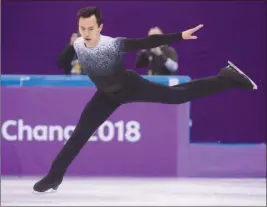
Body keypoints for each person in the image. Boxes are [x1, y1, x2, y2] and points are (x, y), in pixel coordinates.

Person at [33, 6, 257, 193]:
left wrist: (178, 36)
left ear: (100, 27)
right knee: (79, 135)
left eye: (91, 28)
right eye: (82, 28)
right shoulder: (78, 44)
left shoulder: (112, 44)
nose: (87, 32)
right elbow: (62, 60)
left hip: (130, 86)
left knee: (176, 96)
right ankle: (54, 177)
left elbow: (144, 43)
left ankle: (225, 77)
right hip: (105, 96)